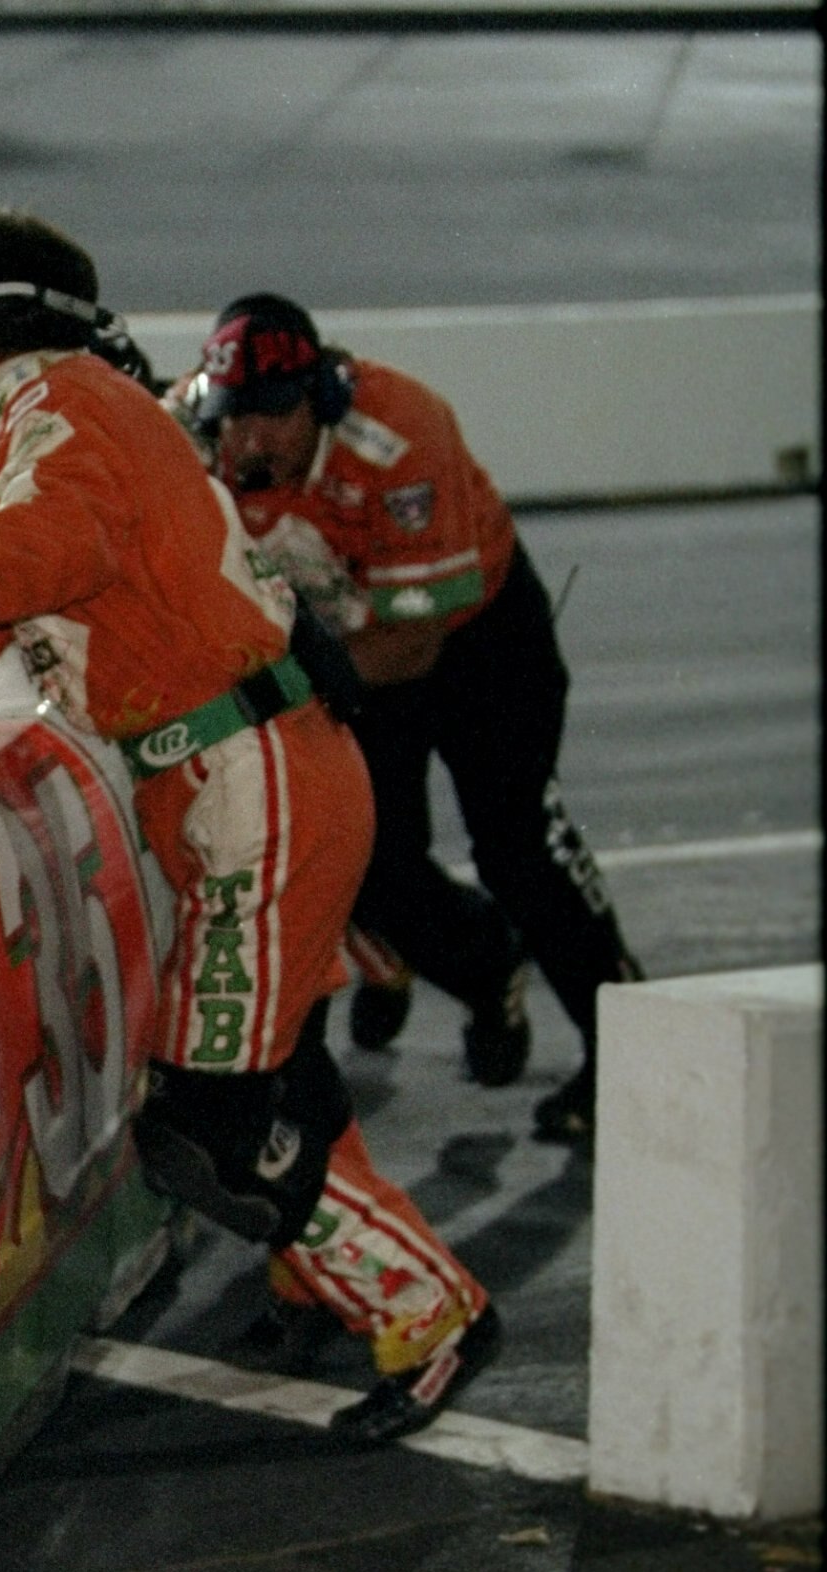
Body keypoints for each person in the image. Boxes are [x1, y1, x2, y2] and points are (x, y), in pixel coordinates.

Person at [0, 209, 496, 1442]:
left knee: (212, 1118)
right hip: (248, 776)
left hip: (251, 781)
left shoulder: (51, 399)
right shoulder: (86, 412)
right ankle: (318, 1282)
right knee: (268, 1078)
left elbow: (51, 546)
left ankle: (435, 1312)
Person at [180, 294, 639, 1142]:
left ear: (321, 398)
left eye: (273, 415)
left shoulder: (400, 432)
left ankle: (629, 1050)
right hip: (346, 646)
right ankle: (485, 962)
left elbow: (413, 646)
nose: (248, 441)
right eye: (233, 415)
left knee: (519, 844)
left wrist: (270, 691)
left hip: (472, 639)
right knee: (371, 861)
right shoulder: (191, 432)